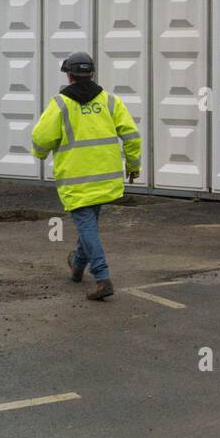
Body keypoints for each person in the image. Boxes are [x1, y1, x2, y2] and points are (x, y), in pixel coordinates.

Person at [30, 52, 142, 300]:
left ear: (68, 75)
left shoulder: (60, 104)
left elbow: (41, 138)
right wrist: (133, 165)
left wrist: (39, 154)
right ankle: (77, 267)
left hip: (76, 180)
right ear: (92, 73)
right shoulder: (110, 101)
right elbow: (131, 134)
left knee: (87, 227)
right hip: (106, 178)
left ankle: (102, 277)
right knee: (88, 226)